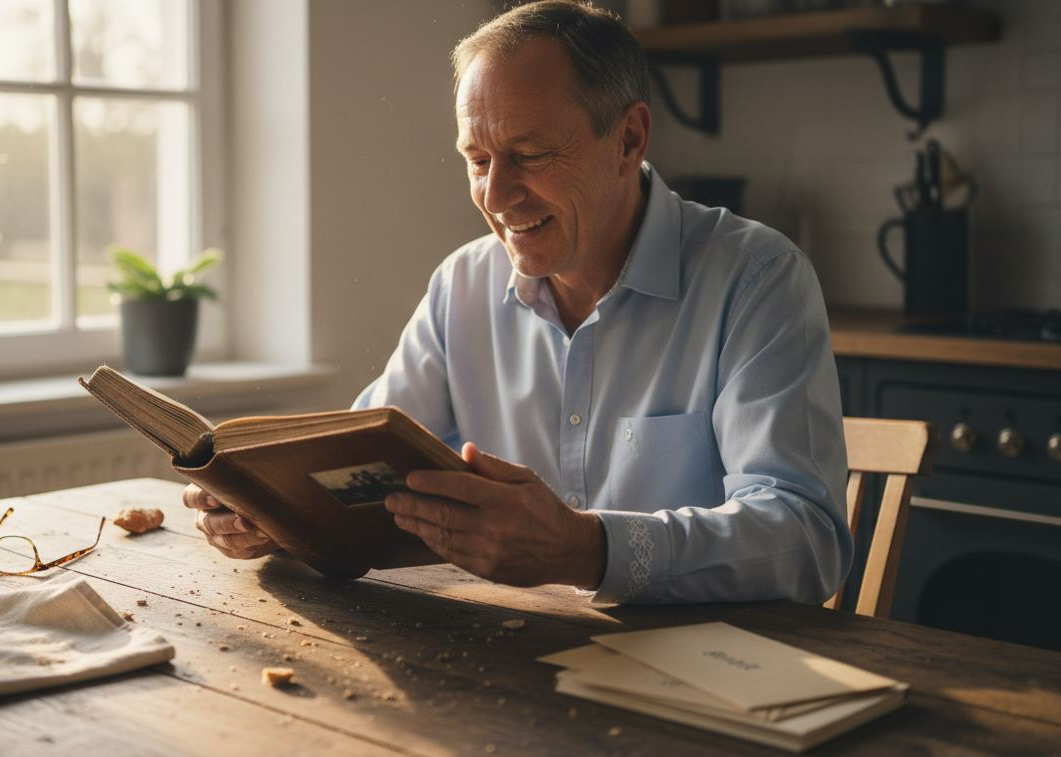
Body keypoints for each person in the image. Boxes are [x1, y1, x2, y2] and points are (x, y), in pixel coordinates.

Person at [187, 0, 850, 604]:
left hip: (715, 682)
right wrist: (273, 510)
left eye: (529, 155)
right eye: (477, 159)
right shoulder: (461, 286)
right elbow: (353, 467)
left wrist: (590, 549)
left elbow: (806, 542)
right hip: (515, 664)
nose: (497, 197)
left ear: (629, 140)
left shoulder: (757, 278)